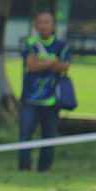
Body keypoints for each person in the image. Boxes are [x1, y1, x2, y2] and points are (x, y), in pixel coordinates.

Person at [18, 12, 70, 172]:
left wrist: (43, 63)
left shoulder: (61, 46)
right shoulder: (30, 44)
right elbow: (32, 66)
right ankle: (25, 166)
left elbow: (65, 66)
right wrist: (53, 62)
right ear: (36, 25)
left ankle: (44, 168)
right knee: (26, 133)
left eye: (47, 22)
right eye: (40, 22)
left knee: (49, 135)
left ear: (53, 26)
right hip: (30, 99)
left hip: (51, 99)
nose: (44, 26)